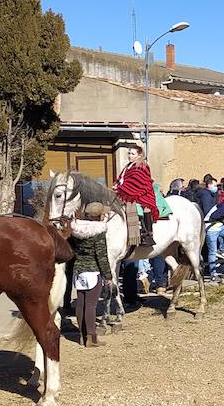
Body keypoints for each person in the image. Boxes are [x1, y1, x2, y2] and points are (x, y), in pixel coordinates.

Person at [68, 203, 113, 346]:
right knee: (91, 306)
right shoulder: (98, 231)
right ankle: (91, 337)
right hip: (93, 271)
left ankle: (81, 336)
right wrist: (108, 275)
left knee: (80, 304)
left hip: (79, 270)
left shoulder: (76, 229)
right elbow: (101, 256)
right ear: (99, 215)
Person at [113, 143, 158, 247]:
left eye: (132, 154)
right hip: (127, 191)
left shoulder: (142, 166)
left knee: (141, 208)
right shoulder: (127, 167)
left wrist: (121, 188)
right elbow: (122, 179)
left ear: (139, 155)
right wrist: (117, 185)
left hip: (142, 193)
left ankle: (147, 235)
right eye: (129, 153)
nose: (129, 155)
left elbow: (139, 182)